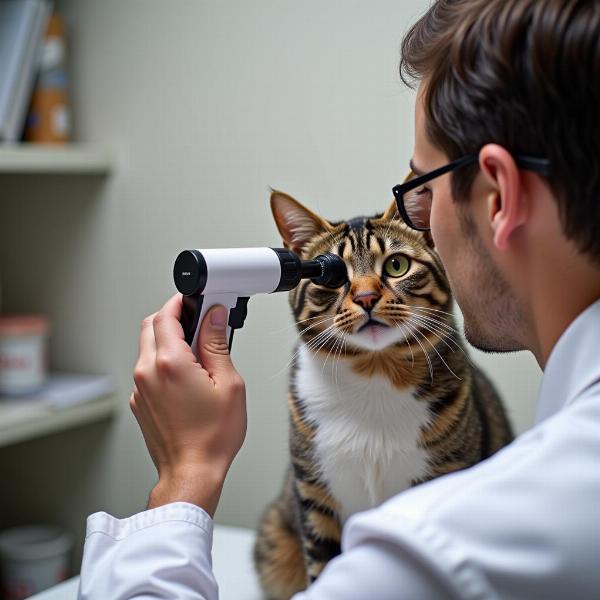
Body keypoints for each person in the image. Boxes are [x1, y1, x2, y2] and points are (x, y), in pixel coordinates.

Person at [78, 0, 600, 598]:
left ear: (500, 196)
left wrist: (184, 472)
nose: (421, 223)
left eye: (420, 189)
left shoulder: (437, 550)